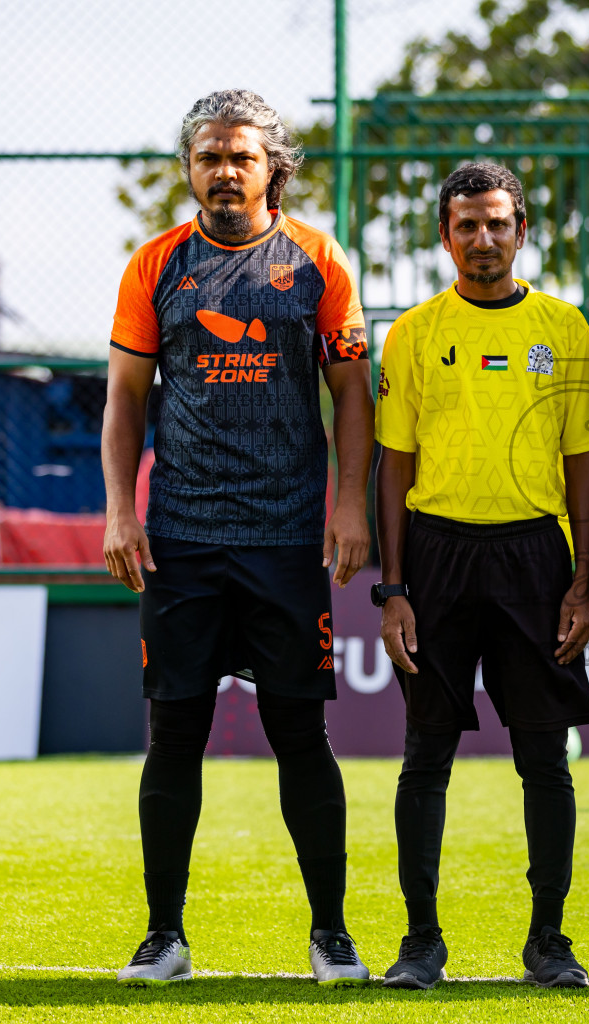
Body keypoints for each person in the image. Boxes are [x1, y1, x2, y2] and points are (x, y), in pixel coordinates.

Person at [101, 89, 375, 986]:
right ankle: (163, 936)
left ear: (272, 169)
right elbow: (126, 400)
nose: (224, 171)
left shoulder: (319, 259)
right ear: (190, 168)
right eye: (210, 156)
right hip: (181, 539)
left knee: (301, 735)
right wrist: (120, 510)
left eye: (242, 157)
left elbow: (352, 397)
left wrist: (347, 504)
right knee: (173, 734)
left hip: (287, 538)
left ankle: (330, 935)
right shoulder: (155, 266)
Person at [373, 163, 589, 990]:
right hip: (436, 558)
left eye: (497, 224)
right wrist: (393, 588)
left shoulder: (565, 328)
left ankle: (549, 941)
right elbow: (393, 467)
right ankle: (421, 941)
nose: (483, 239)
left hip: (536, 560)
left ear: (521, 232)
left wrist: (582, 579)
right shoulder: (413, 334)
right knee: (425, 754)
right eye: (466, 226)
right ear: (445, 237)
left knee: (544, 758)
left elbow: (584, 460)